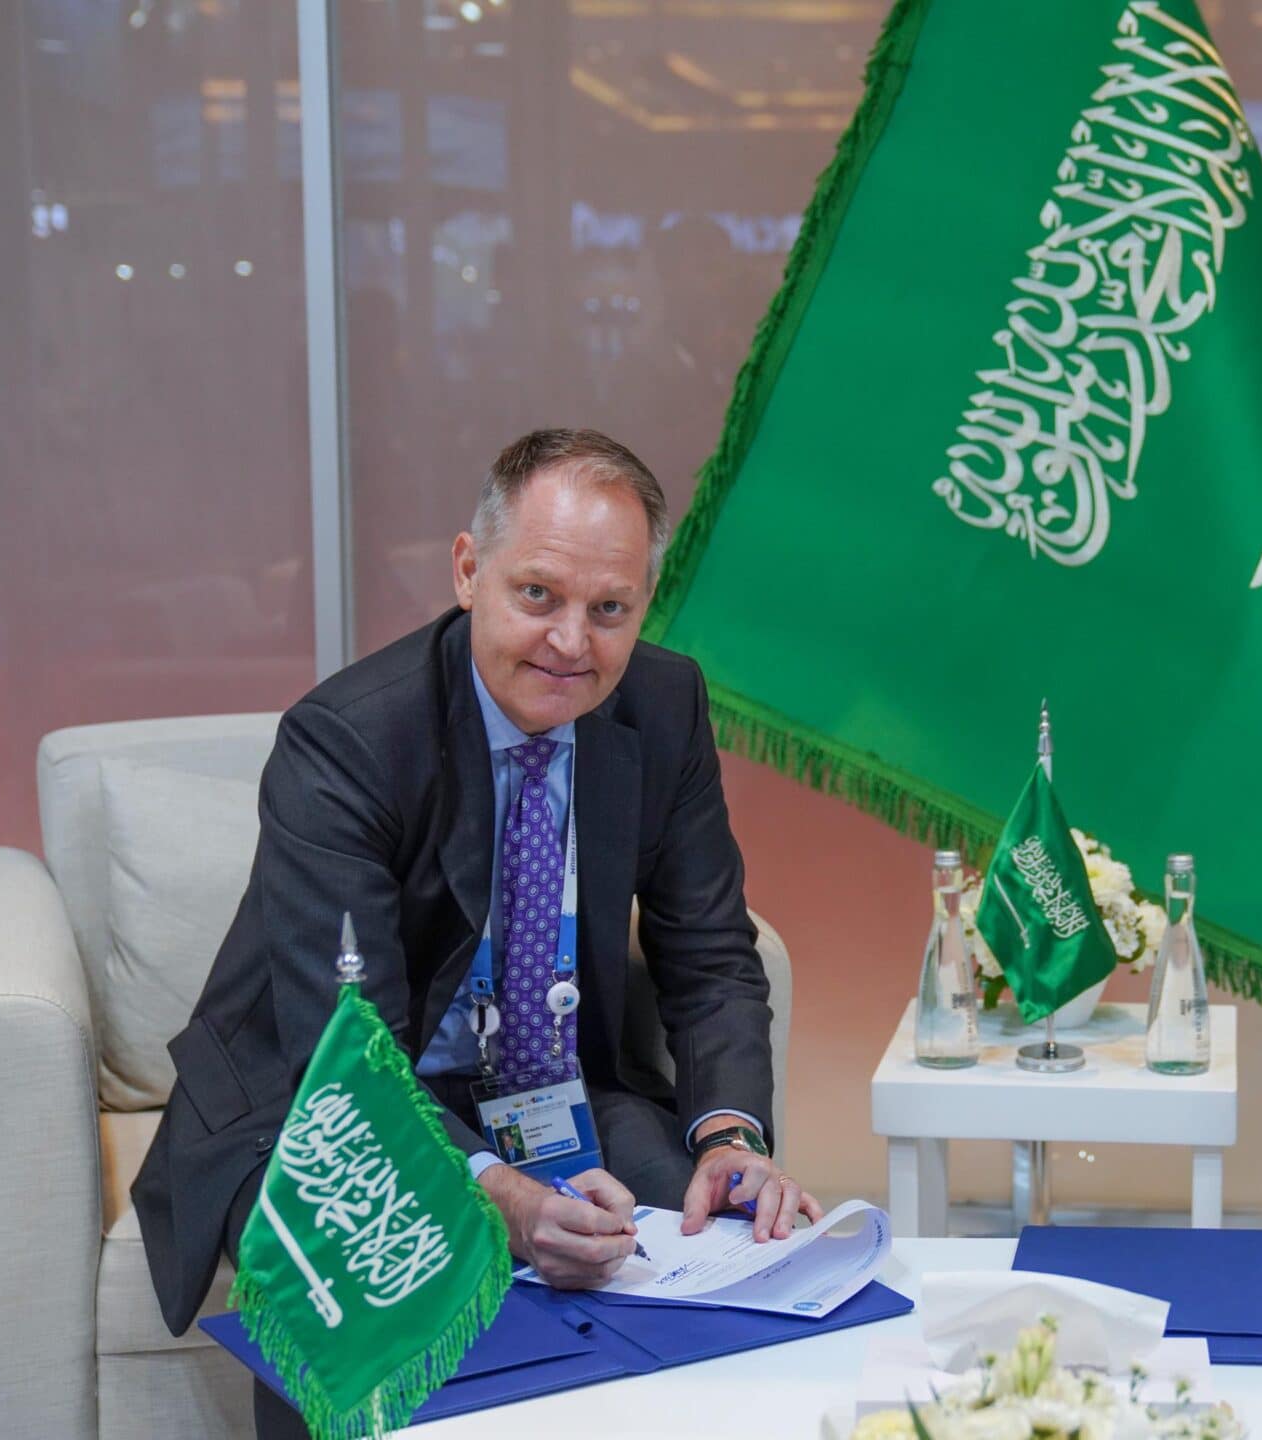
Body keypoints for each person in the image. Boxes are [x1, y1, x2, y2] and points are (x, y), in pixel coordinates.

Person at [130, 428, 821, 1429]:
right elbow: (345, 1035)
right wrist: (498, 1198)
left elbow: (711, 957)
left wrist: (729, 1136)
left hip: (554, 1089)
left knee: (733, 1268)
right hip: (322, 1097)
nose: (571, 643)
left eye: (610, 609)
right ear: (468, 571)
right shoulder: (349, 739)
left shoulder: (664, 706)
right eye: (537, 595)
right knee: (366, 1290)